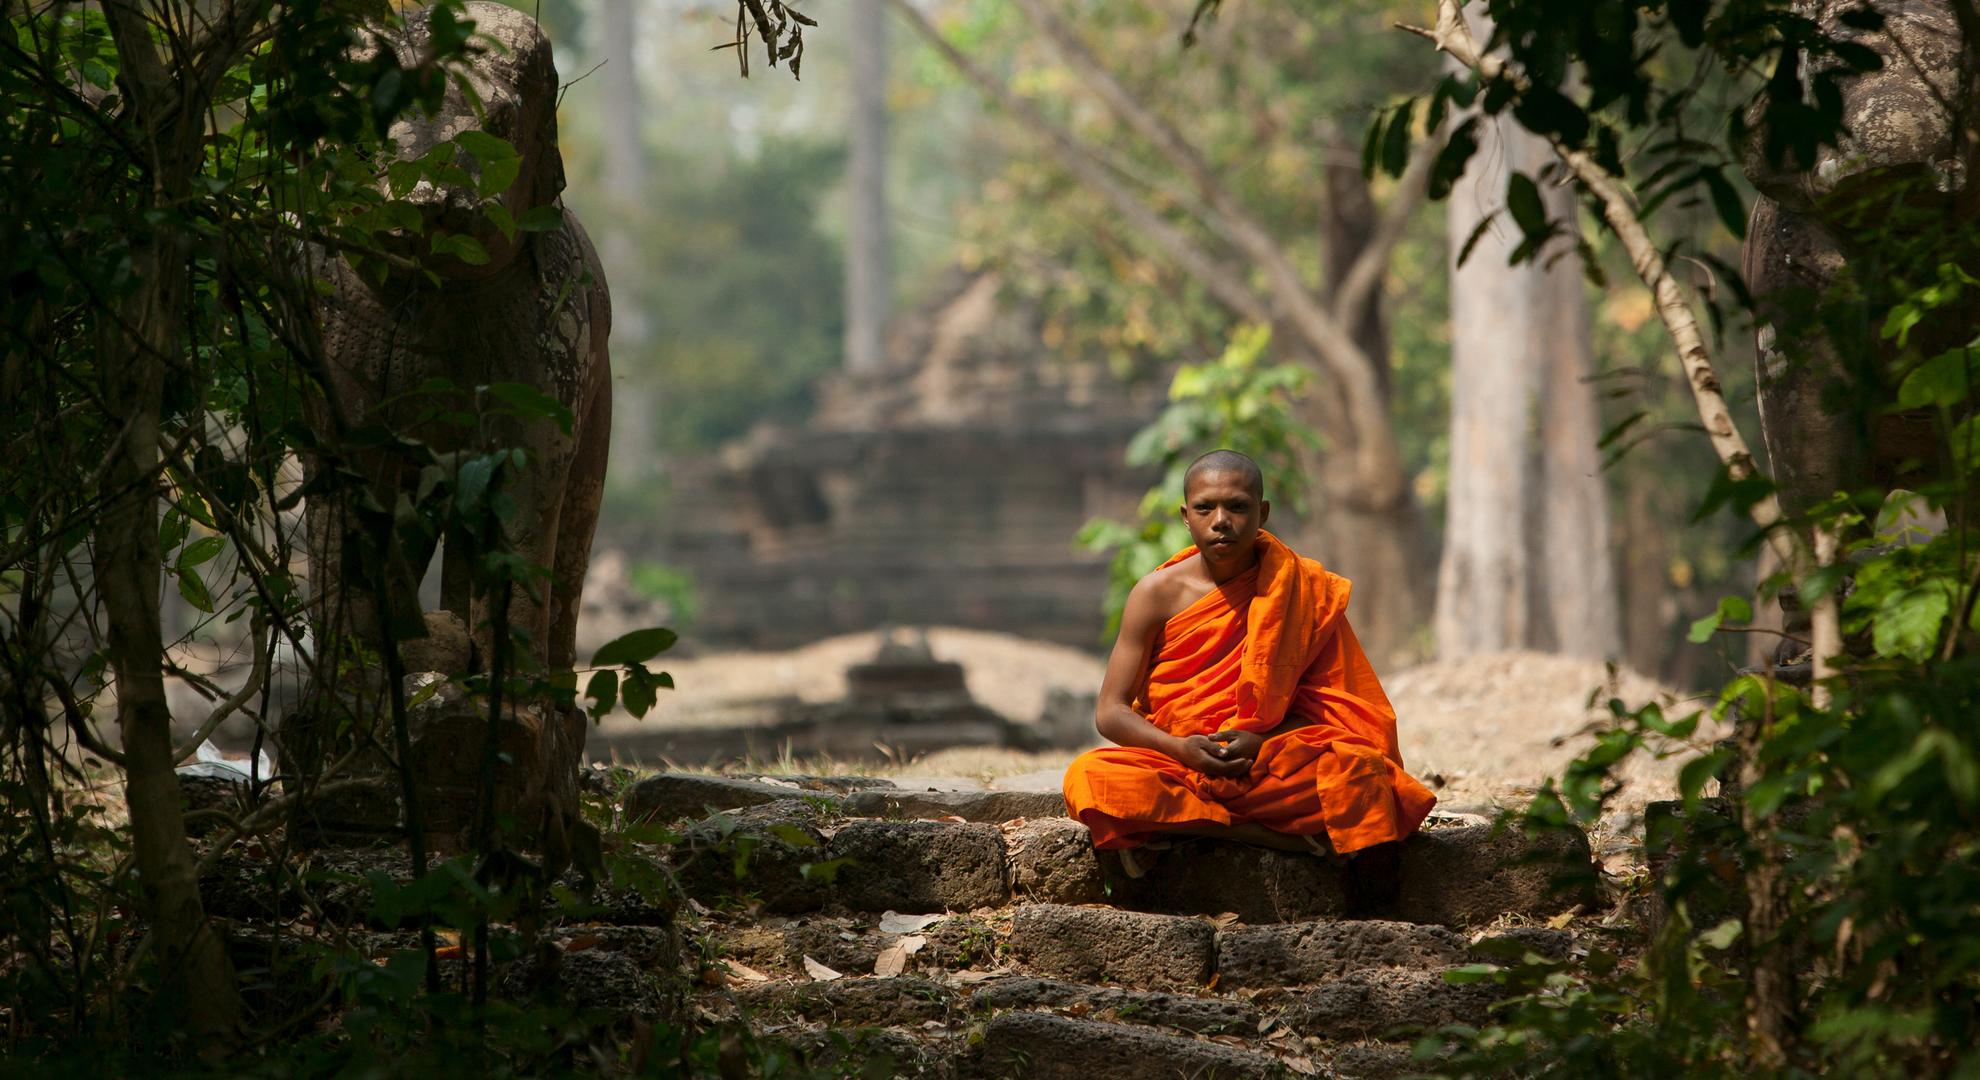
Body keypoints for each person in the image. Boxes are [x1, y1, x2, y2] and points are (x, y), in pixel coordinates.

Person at [1061, 449, 1436, 874]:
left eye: (1237, 507)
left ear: (1262, 512)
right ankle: (1267, 835)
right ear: (1186, 516)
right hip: (1179, 760)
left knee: (1362, 773)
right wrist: (1182, 749)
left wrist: (1263, 740)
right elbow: (1110, 711)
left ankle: (1185, 826)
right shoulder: (1156, 594)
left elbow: (1334, 707)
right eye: (1205, 508)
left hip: (1266, 761)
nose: (1221, 520)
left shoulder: (1298, 590)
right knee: (1090, 776)